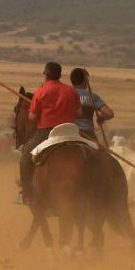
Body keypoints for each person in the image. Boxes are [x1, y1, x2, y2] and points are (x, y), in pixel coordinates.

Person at [18, 61, 81, 205]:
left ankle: (27, 194)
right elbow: (79, 112)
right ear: (59, 75)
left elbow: (32, 117)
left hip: (47, 132)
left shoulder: (41, 92)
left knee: (25, 157)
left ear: (45, 74)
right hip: (71, 131)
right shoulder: (71, 91)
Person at [70, 68, 114, 142]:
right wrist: (101, 118)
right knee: (100, 153)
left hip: (69, 132)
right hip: (88, 133)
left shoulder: (65, 94)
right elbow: (109, 114)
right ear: (85, 81)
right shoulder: (92, 96)